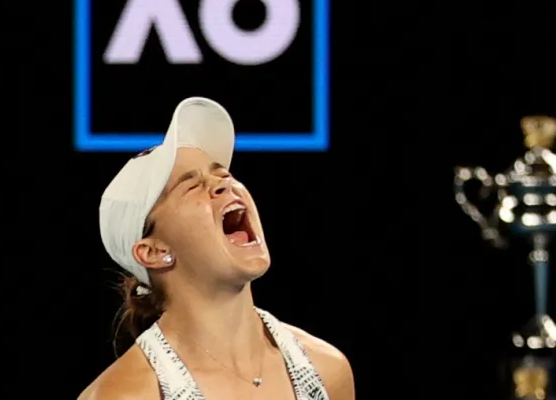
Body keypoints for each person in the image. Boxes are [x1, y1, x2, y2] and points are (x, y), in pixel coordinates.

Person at [78, 97, 354, 400]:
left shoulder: (328, 369)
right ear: (154, 252)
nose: (225, 185)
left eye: (223, 174)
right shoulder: (124, 395)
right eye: (191, 185)